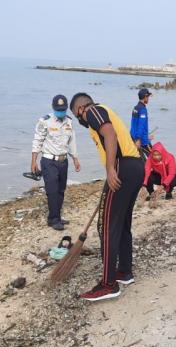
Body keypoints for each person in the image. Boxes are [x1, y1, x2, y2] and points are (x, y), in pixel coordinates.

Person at [70, 92, 144, 302]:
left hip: (122, 166)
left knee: (106, 226)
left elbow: (110, 135)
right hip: (135, 166)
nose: (79, 119)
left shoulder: (93, 111)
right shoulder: (105, 111)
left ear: (80, 109)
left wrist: (111, 169)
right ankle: (124, 272)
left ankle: (108, 284)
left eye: (77, 115)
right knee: (121, 223)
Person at [31, 95, 81, 231]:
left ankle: (56, 216)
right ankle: (53, 219)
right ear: (54, 108)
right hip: (49, 161)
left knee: (60, 190)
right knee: (52, 191)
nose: (61, 112)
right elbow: (37, 140)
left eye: (63, 110)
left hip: (63, 161)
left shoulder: (69, 122)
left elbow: (72, 142)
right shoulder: (45, 121)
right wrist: (33, 161)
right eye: (59, 110)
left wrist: (75, 158)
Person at [131, 88, 153, 155]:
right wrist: (138, 139)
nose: (148, 99)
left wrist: (147, 136)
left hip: (133, 137)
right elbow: (141, 125)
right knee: (153, 158)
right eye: (148, 97)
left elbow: (134, 125)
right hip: (142, 141)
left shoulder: (135, 108)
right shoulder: (143, 110)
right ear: (145, 97)